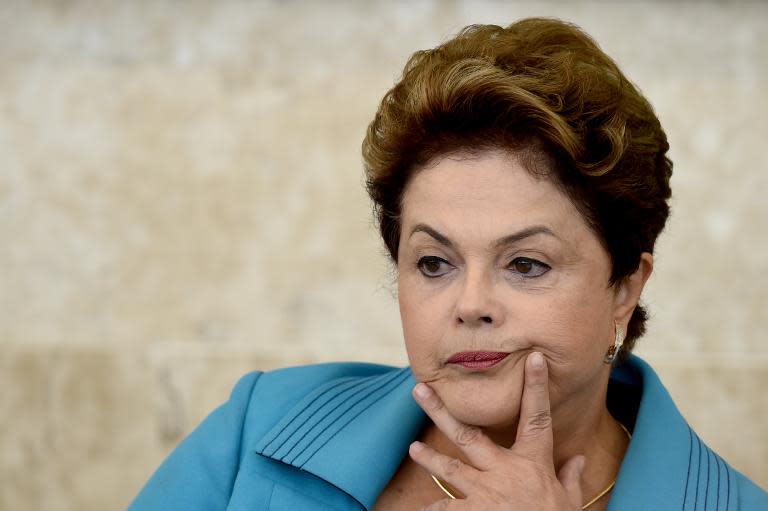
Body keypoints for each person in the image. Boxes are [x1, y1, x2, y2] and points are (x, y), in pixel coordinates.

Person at [127, 17, 768, 511]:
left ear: (624, 289)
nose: (470, 304)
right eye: (435, 263)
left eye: (526, 264)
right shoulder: (260, 427)